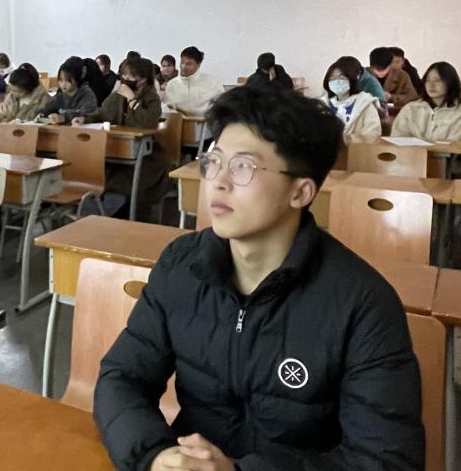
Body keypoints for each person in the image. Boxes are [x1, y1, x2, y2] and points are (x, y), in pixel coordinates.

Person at [94, 85, 424, 470]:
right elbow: (121, 378)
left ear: (300, 192)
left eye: (243, 167)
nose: (218, 181)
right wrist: (155, 455)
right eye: (214, 161)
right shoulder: (181, 265)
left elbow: (387, 460)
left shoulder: (363, 303)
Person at [74, 58, 170, 220]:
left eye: (130, 77)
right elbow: (101, 113)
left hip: (147, 155)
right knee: (100, 172)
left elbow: (148, 123)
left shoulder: (151, 97)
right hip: (117, 152)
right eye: (123, 76)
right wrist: (84, 119)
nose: (125, 80)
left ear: (143, 79)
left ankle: (109, 210)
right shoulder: (118, 95)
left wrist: (132, 99)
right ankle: (97, 208)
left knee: (126, 181)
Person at [392, 61, 461, 141]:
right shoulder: (410, 109)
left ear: (450, 82)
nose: (431, 85)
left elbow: (454, 145)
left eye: (437, 80)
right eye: (428, 80)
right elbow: (397, 139)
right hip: (409, 150)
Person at [321, 57, 382, 139]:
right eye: (332, 79)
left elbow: (372, 134)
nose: (337, 82)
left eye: (341, 78)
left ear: (351, 80)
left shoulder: (365, 104)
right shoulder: (323, 105)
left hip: (358, 146)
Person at [164, 46, 224, 116]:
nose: (184, 67)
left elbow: (222, 104)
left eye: (189, 64)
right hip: (180, 121)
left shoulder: (212, 82)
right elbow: (168, 108)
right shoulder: (172, 84)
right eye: (182, 62)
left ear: (198, 65)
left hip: (205, 121)